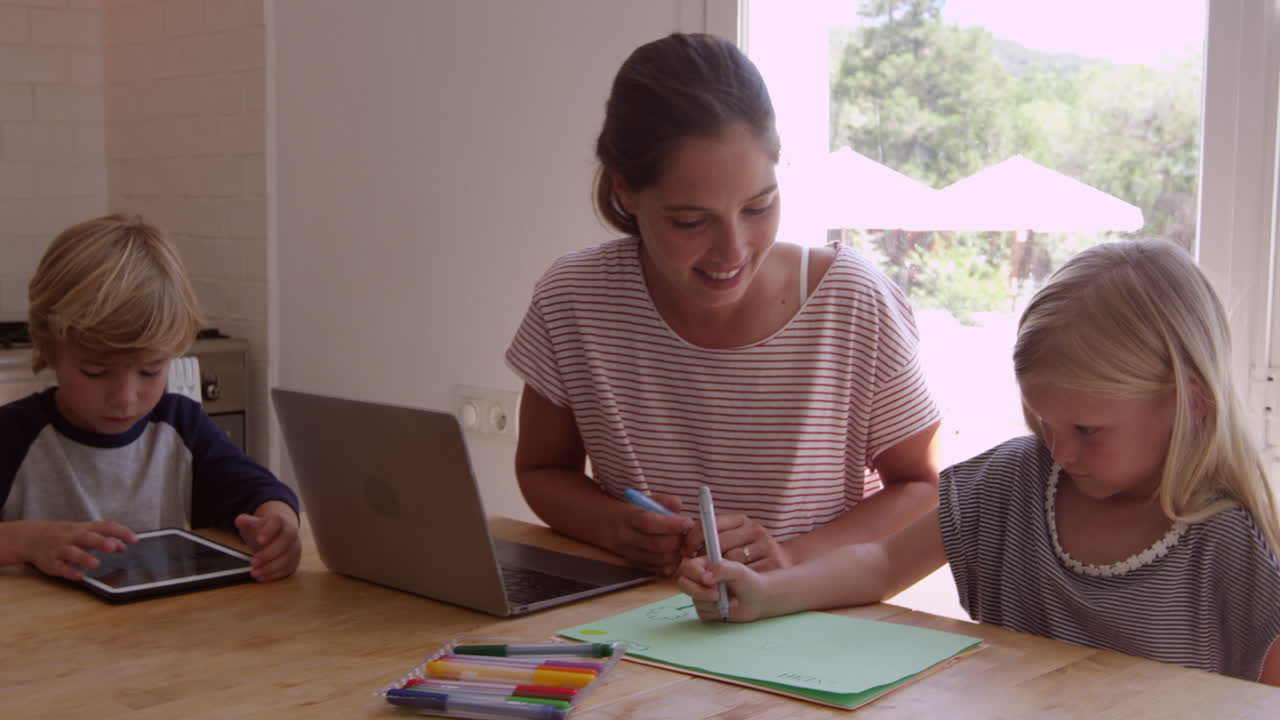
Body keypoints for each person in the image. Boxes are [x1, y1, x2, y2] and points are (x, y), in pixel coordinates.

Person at [678, 238, 1280, 684]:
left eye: (1089, 430)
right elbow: (882, 562)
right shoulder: (1015, 481)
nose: (1061, 452)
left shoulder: (1227, 540)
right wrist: (767, 593)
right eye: (1043, 421)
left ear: (1189, 404)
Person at [505, 32, 942, 578]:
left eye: (759, 206)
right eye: (690, 221)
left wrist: (790, 558)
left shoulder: (850, 301)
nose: (733, 251)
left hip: (816, 630)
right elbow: (543, 470)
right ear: (625, 192)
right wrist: (615, 527)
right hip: (639, 620)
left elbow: (923, 486)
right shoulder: (572, 298)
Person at [0, 213, 301, 583]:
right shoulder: (13, 435)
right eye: (95, 372)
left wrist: (278, 524)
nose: (126, 399)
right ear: (49, 349)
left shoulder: (181, 426)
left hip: (156, 635)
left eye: (150, 370)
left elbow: (258, 490)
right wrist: (26, 541)